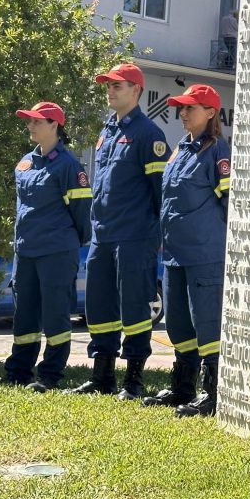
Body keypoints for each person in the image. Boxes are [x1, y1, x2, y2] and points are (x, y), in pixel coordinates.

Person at [71, 62, 169, 400]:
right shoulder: (106, 131)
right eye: (108, 86)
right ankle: (102, 378)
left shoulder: (149, 134)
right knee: (99, 307)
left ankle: (134, 380)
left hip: (135, 237)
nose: (110, 91)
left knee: (135, 309)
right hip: (103, 235)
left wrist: (157, 238)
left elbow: (161, 193)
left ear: (136, 90)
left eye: (118, 85)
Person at [143, 84, 231, 416]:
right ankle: (182, 387)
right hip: (175, 253)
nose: (183, 113)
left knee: (206, 324)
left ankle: (212, 393)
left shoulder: (217, 151)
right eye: (181, 108)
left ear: (210, 113)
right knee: (178, 323)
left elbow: (229, 203)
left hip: (204, 252)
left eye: (190, 108)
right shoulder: (181, 150)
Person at [3, 102, 92, 392]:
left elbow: (81, 212)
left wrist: (69, 242)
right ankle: (19, 370)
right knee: (25, 313)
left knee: (55, 314)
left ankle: (50, 374)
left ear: (55, 125)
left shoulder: (68, 166)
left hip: (56, 251)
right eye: (29, 121)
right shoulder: (25, 163)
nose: (30, 126)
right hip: (26, 251)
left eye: (37, 122)